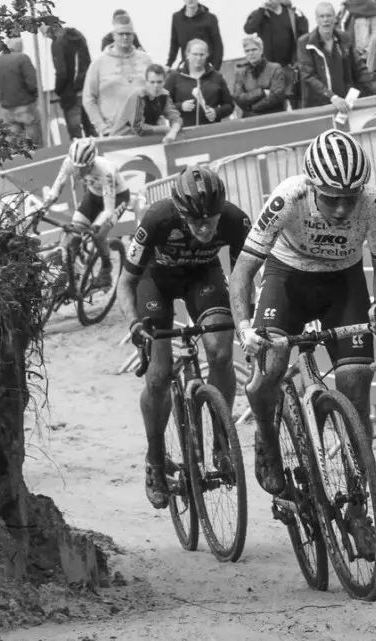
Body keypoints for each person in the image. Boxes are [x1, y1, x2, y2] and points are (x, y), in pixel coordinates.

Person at [228, 131, 376, 532]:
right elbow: (243, 271)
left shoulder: (374, 204)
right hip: (287, 280)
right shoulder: (289, 197)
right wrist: (244, 327)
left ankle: (357, 506)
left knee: (356, 384)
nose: (341, 210)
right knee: (270, 371)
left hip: (344, 283)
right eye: (331, 198)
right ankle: (266, 434)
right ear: (312, 186)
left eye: (349, 198)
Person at [119, 165, 251, 509]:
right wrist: (134, 325)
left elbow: (243, 278)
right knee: (159, 376)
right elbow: (125, 282)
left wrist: (246, 319)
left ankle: (222, 442)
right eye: (196, 222)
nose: (205, 229)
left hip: (202, 278)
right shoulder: (157, 218)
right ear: (180, 213)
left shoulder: (235, 220)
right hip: (156, 283)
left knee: (221, 353)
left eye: (211, 220)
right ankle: (156, 460)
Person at [39, 138, 130, 290]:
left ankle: (106, 269)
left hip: (117, 198)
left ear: (92, 161)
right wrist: (42, 208)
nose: (79, 171)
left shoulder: (105, 171)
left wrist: (95, 227)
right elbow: (56, 188)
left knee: (99, 235)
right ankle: (73, 271)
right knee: (73, 231)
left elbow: (108, 209)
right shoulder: (69, 162)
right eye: (76, 167)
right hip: (94, 196)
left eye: (84, 167)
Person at [296, 2, 376, 111]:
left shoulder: (344, 38)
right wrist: (332, 97)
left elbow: (359, 68)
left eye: (329, 16)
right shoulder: (304, 42)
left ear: (335, 18)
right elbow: (308, 76)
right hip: (318, 106)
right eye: (322, 16)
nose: (326, 20)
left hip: (345, 102)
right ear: (316, 19)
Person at [84, 13, 154, 135]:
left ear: (133, 35)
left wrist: (160, 120)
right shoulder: (98, 64)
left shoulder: (145, 59)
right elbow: (89, 99)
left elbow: (157, 92)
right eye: (121, 34)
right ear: (113, 35)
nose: (125, 37)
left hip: (146, 129)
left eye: (128, 34)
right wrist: (102, 127)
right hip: (115, 132)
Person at [243, 0, 310, 106]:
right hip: (269, 69)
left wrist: (298, 59)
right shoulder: (260, 14)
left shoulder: (293, 13)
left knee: (294, 100)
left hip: (291, 66)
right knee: (274, 102)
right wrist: (261, 10)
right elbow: (248, 29)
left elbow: (304, 35)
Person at [41, 23, 97, 139]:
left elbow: (62, 73)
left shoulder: (57, 43)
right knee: (91, 130)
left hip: (70, 93)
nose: (44, 36)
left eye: (44, 32)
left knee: (76, 134)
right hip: (86, 88)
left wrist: (58, 89)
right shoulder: (78, 36)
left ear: (49, 29)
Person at [166, 39, 235, 127]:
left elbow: (229, 105)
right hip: (183, 131)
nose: (198, 58)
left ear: (207, 55)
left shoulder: (217, 77)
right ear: (187, 55)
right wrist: (181, 106)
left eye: (202, 55)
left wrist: (216, 112)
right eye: (195, 54)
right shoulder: (175, 77)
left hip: (210, 130)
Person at [0, 36, 42, 147]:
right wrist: (36, 95)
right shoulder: (22, 58)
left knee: (14, 141)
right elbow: (33, 84)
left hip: (7, 109)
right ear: (18, 46)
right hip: (26, 105)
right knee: (33, 141)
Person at [109, 64, 183, 142]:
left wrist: (173, 132)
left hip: (142, 140)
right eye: (152, 82)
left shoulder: (164, 95)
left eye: (159, 82)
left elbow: (176, 117)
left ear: (164, 82)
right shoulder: (138, 96)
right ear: (146, 82)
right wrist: (163, 128)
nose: (156, 86)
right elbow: (138, 128)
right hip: (119, 140)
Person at [233, 35, 289, 116]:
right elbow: (238, 98)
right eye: (247, 51)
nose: (251, 53)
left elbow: (277, 95)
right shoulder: (240, 73)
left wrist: (254, 107)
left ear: (261, 50)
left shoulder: (275, 68)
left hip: (273, 115)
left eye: (254, 49)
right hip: (249, 118)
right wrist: (261, 92)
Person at [167, 0, 224, 69]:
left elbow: (218, 46)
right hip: (187, 66)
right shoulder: (177, 18)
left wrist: (215, 68)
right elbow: (174, 44)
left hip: (206, 67)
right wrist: (169, 64)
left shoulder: (210, 18)